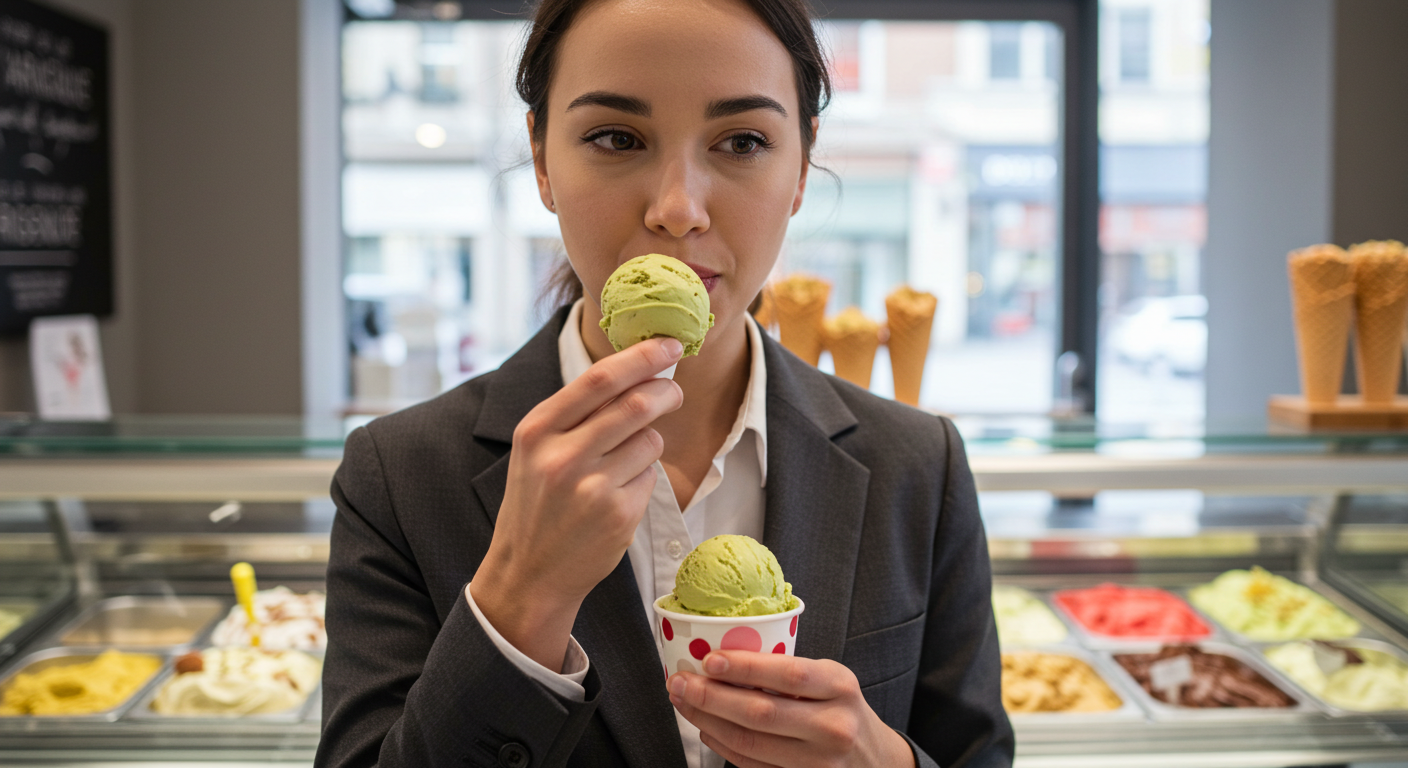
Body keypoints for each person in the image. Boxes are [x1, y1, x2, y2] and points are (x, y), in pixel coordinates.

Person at [315, 0, 1013, 766]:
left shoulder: (919, 464)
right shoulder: (400, 478)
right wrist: (521, 598)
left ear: (802, 170)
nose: (677, 210)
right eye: (616, 138)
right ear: (543, 160)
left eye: (743, 141)